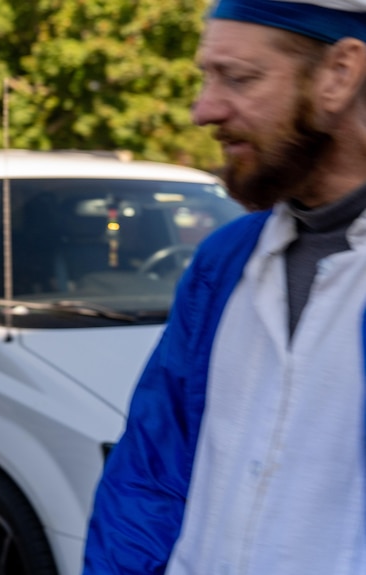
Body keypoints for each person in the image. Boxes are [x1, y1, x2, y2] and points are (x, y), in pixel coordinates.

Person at [82, 0, 366, 573]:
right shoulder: (224, 259)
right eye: (206, 77)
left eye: (238, 78)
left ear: (340, 73)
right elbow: (151, 471)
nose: (202, 110)